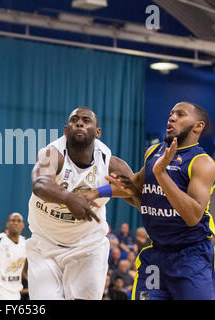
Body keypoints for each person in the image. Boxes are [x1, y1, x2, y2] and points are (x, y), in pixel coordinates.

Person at [105, 102, 215, 300]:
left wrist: (161, 173)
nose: (172, 117)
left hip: (191, 258)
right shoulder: (153, 152)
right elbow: (132, 188)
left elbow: (192, 216)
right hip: (156, 256)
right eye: (171, 113)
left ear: (198, 126)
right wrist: (88, 193)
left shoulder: (202, 162)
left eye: (180, 114)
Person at [26, 107, 134, 300]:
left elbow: (135, 191)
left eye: (86, 120)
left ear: (98, 132)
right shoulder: (52, 154)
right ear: (66, 130)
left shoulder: (111, 164)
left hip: (88, 246)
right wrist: (69, 198)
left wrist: (100, 192)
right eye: (74, 120)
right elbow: (40, 184)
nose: (79, 123)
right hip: (44, 244)